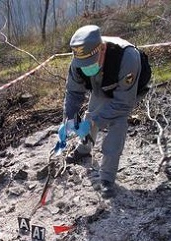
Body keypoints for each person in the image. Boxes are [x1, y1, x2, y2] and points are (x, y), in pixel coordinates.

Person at [61, 25, 143, 199]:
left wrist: (92, 122)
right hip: (102, 83)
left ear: (103, 49)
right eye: (83, 65)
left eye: (90, 64)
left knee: (117, 123)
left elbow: (122, 104)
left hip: (127, 90)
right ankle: (83, 150)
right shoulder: (79, 62)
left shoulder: (127, 57)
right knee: (91, 114)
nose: (86, 67)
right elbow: (73, 93)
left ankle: (107, 178)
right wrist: (69, 120)